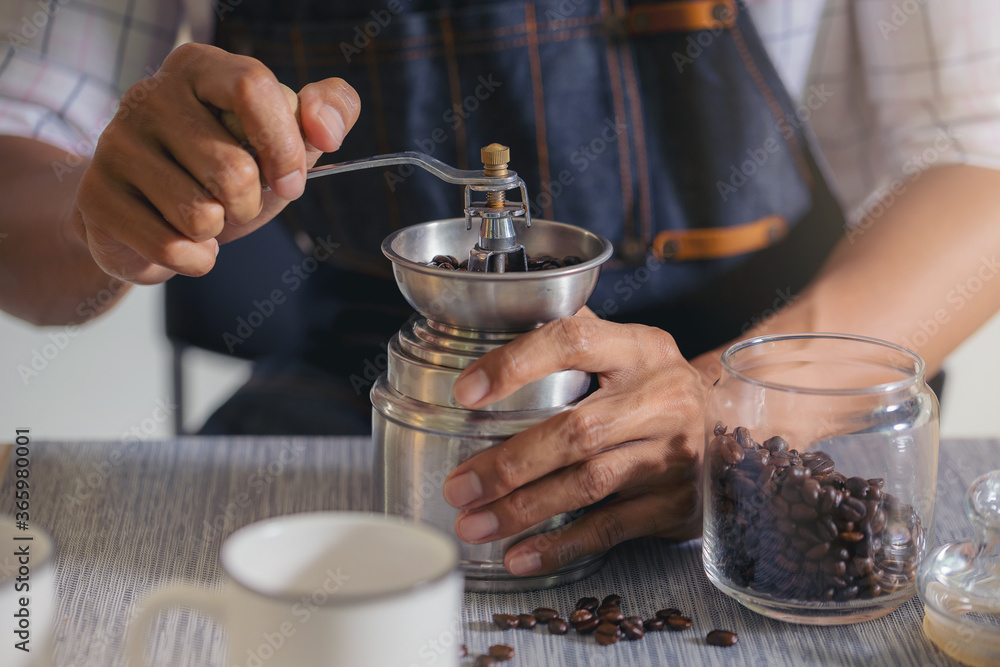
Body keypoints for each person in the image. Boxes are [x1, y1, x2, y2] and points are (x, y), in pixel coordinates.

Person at [3, 0, 1000, 579]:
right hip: (348, 379)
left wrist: (733, 403)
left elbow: (978, 159)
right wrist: (106, 213)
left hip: (776, 389)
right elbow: (27, 159)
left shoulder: (757, 400)